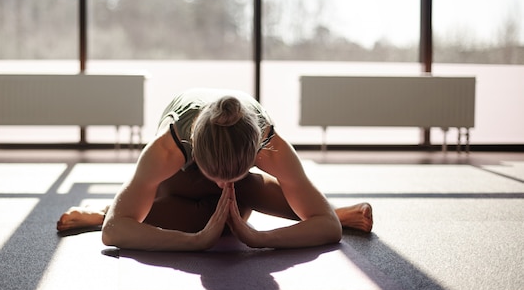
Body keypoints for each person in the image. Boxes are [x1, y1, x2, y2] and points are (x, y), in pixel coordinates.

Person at [57, 88, 373, 251]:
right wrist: (197, 241)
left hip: (241, 189)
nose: (223, 184)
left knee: (245, 192)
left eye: (231, 175)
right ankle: (102, 211)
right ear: (196, 148)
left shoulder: (269, 143)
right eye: (216, 175)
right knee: (205, 220)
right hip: (179, 186)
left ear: (255, 153)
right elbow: (115, 231)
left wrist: (258, 238)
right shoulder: (168, 147)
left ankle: (325, 208)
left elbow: (329, 229)